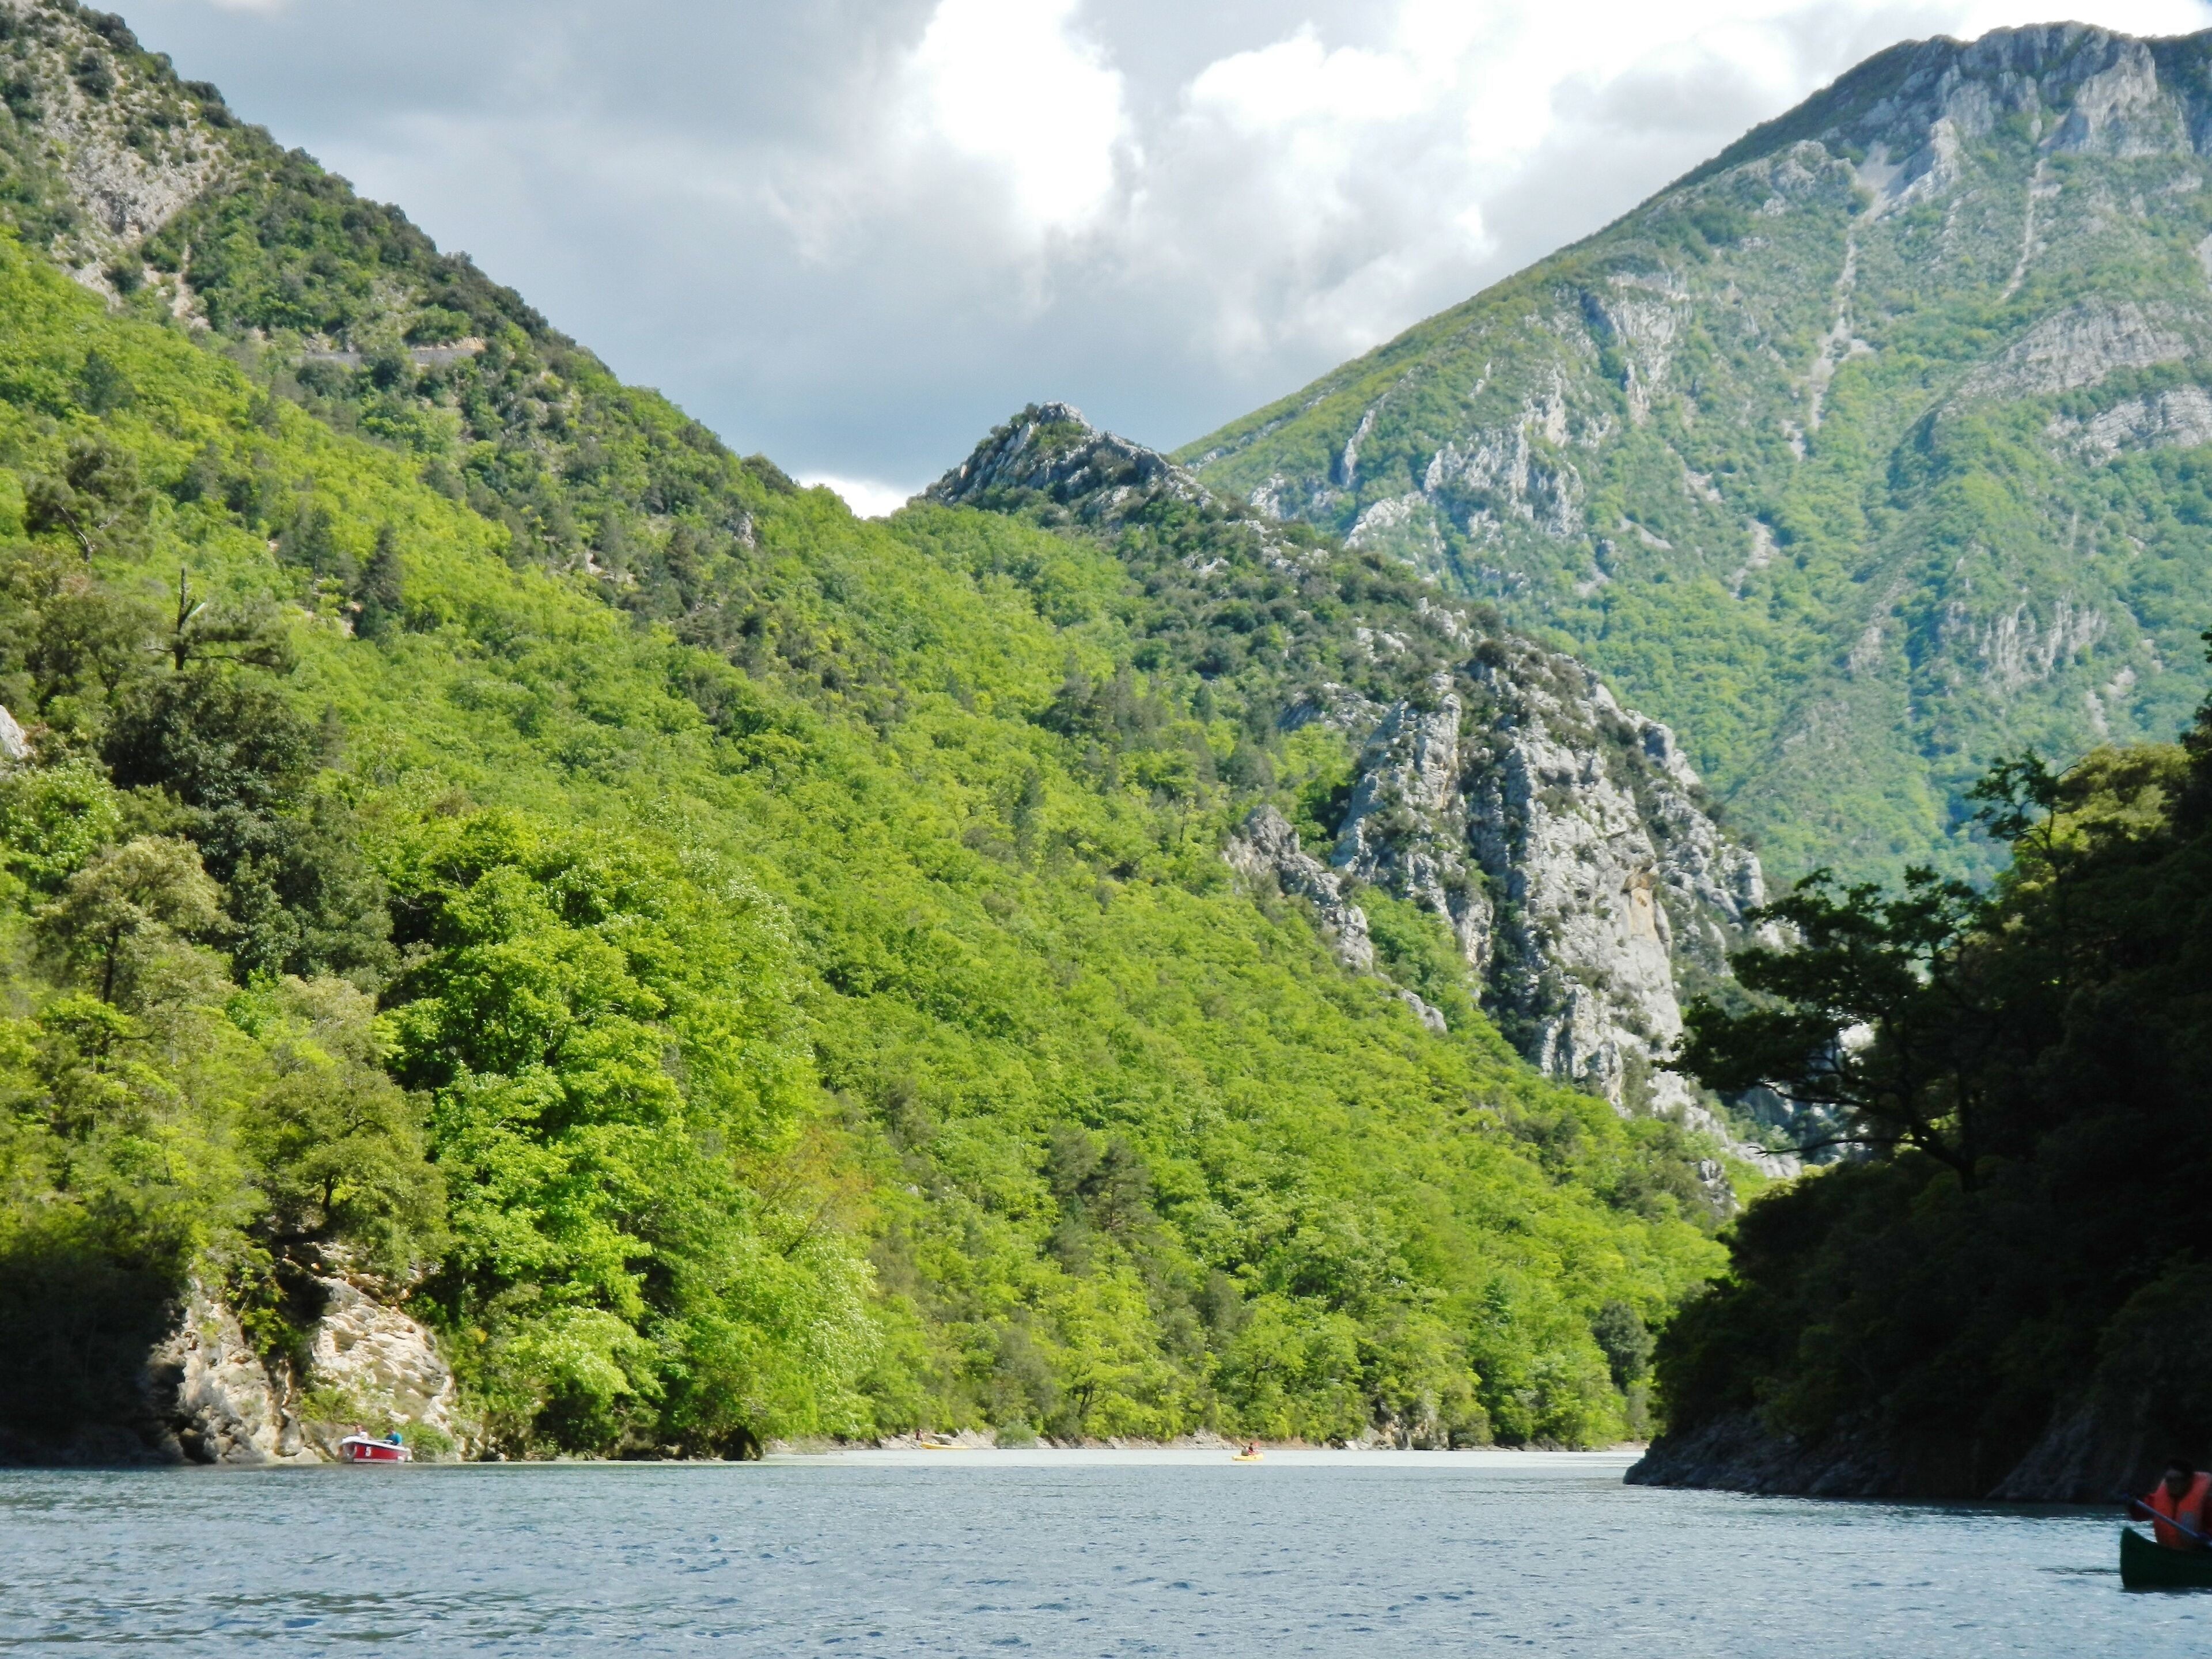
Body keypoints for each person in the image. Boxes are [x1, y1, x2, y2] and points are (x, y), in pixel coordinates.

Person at [2141, 1459, 2212, 1551]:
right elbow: (2139, 1515)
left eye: (2177, 1480)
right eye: (2169, 1480)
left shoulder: (2206, 1503)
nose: (2172, 1484)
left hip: (2199, 1552)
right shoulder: (2156, 1499)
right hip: (2169, 1551)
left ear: (2189, 1480)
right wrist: (2132, 1504)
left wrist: (2209, 1535)